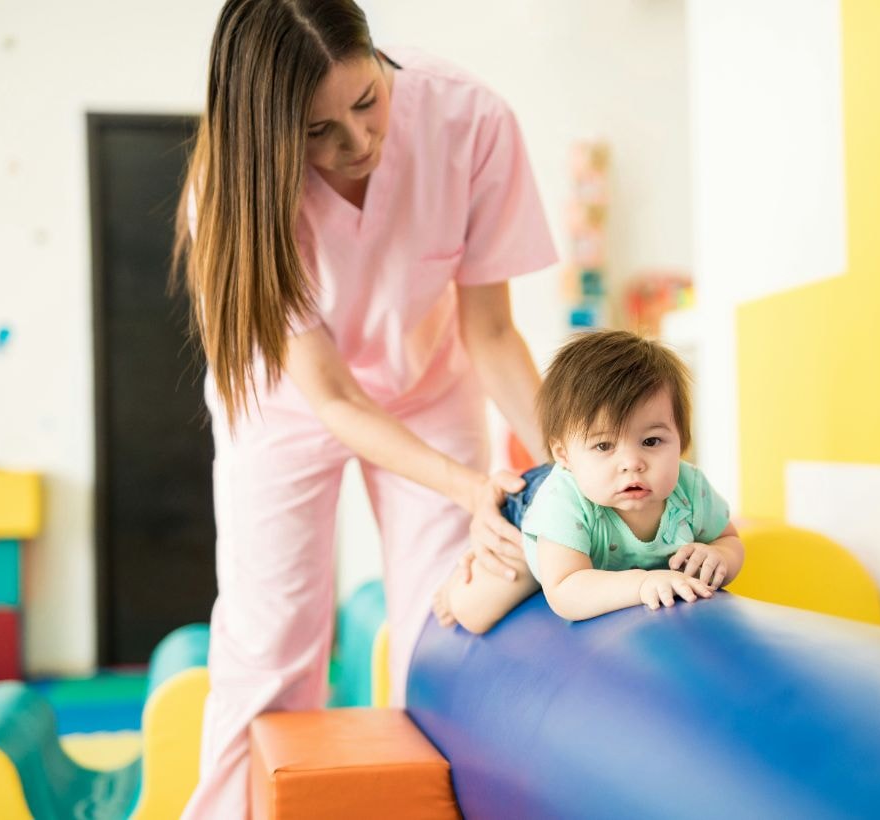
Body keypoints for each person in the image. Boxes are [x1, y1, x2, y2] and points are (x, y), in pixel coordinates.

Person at [171, 1, 557, 815]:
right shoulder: (229, 192)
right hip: (285, 401)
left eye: (367, 102)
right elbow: (333, 398)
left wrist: (575, 462)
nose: (358, 143)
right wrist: (463, 483)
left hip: (428, 385)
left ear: (378, 58)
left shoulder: (469, 119)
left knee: (445, 624)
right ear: (266, 135)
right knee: (271, 646)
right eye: (317, 132)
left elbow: (490, 333)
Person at [433, 330, 745, 634]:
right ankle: (451, 588)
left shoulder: (690, 489)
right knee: (476, 610)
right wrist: (643, 583)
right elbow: (565, 592)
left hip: (583, 520)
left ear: (682, 441)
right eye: (604, 446)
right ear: (563, 455)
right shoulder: (562, 503)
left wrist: (720, 556)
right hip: (530, 509)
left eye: (650, 441)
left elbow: (730, 540)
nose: (631, 463)